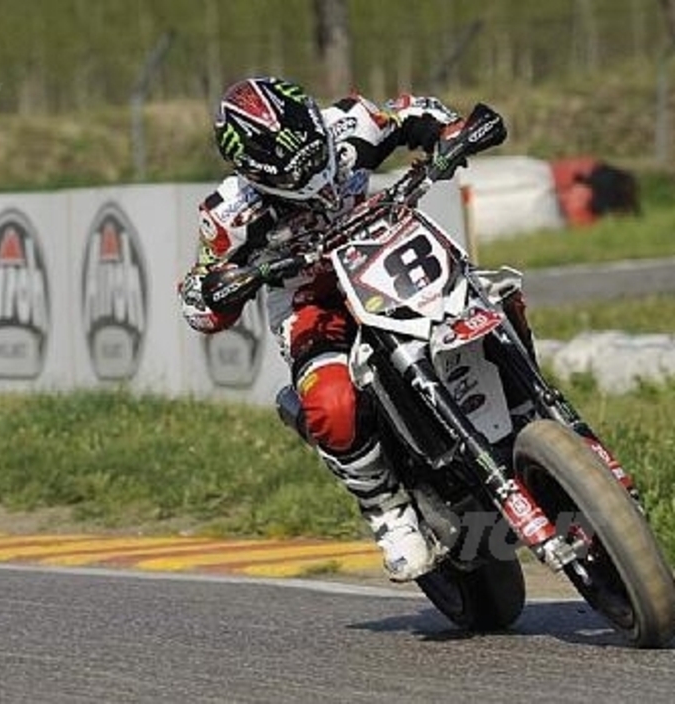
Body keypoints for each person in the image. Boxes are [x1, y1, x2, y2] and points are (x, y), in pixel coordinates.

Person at [177, 76, 502, 582]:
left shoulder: (352, 121)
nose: (314, 171)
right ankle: (387, 509)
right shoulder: (228, 214)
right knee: (331, 402)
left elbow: (418, 114)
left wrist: (453, 134)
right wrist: (229, 287)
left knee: (496, 294)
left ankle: (534, 403)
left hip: (387, 255)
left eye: (313, 150)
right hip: (312, 298)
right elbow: (199, 300)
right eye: (294, 167)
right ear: (254, 170)